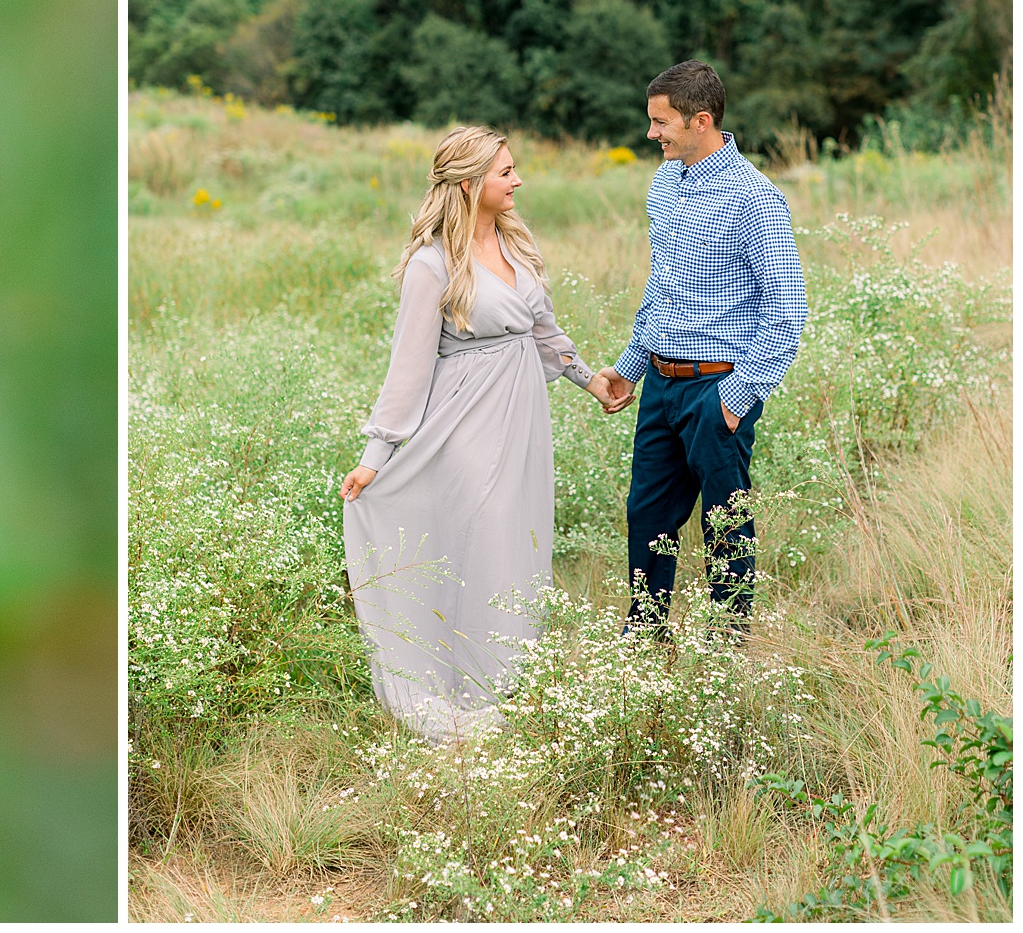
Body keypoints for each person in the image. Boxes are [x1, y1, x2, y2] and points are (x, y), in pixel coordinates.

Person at [339, 126, 622, 737]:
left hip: (523, 423)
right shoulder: (431, 264)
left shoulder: (516, 244)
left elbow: (543, 334)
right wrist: (375, 456)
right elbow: (407, 369)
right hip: (465, 424)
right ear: (470, 184)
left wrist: (592, 382)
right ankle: (465, 696)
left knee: (520, 543)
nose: (517, 181)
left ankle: (506, 685)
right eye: (505, 173)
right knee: (483, 538)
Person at [594, 61, 808, 631]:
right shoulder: (665, 184)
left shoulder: (754, 199)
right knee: (646, 517)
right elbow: (661, 285)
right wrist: (631, 368)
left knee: (725, 526)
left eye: (661, 123)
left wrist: (735, 401)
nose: (651, 134)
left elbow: (787, 311)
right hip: (661, 386)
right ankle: (645, 644)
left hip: (719, 388)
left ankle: (726, 650)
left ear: (701, 120)